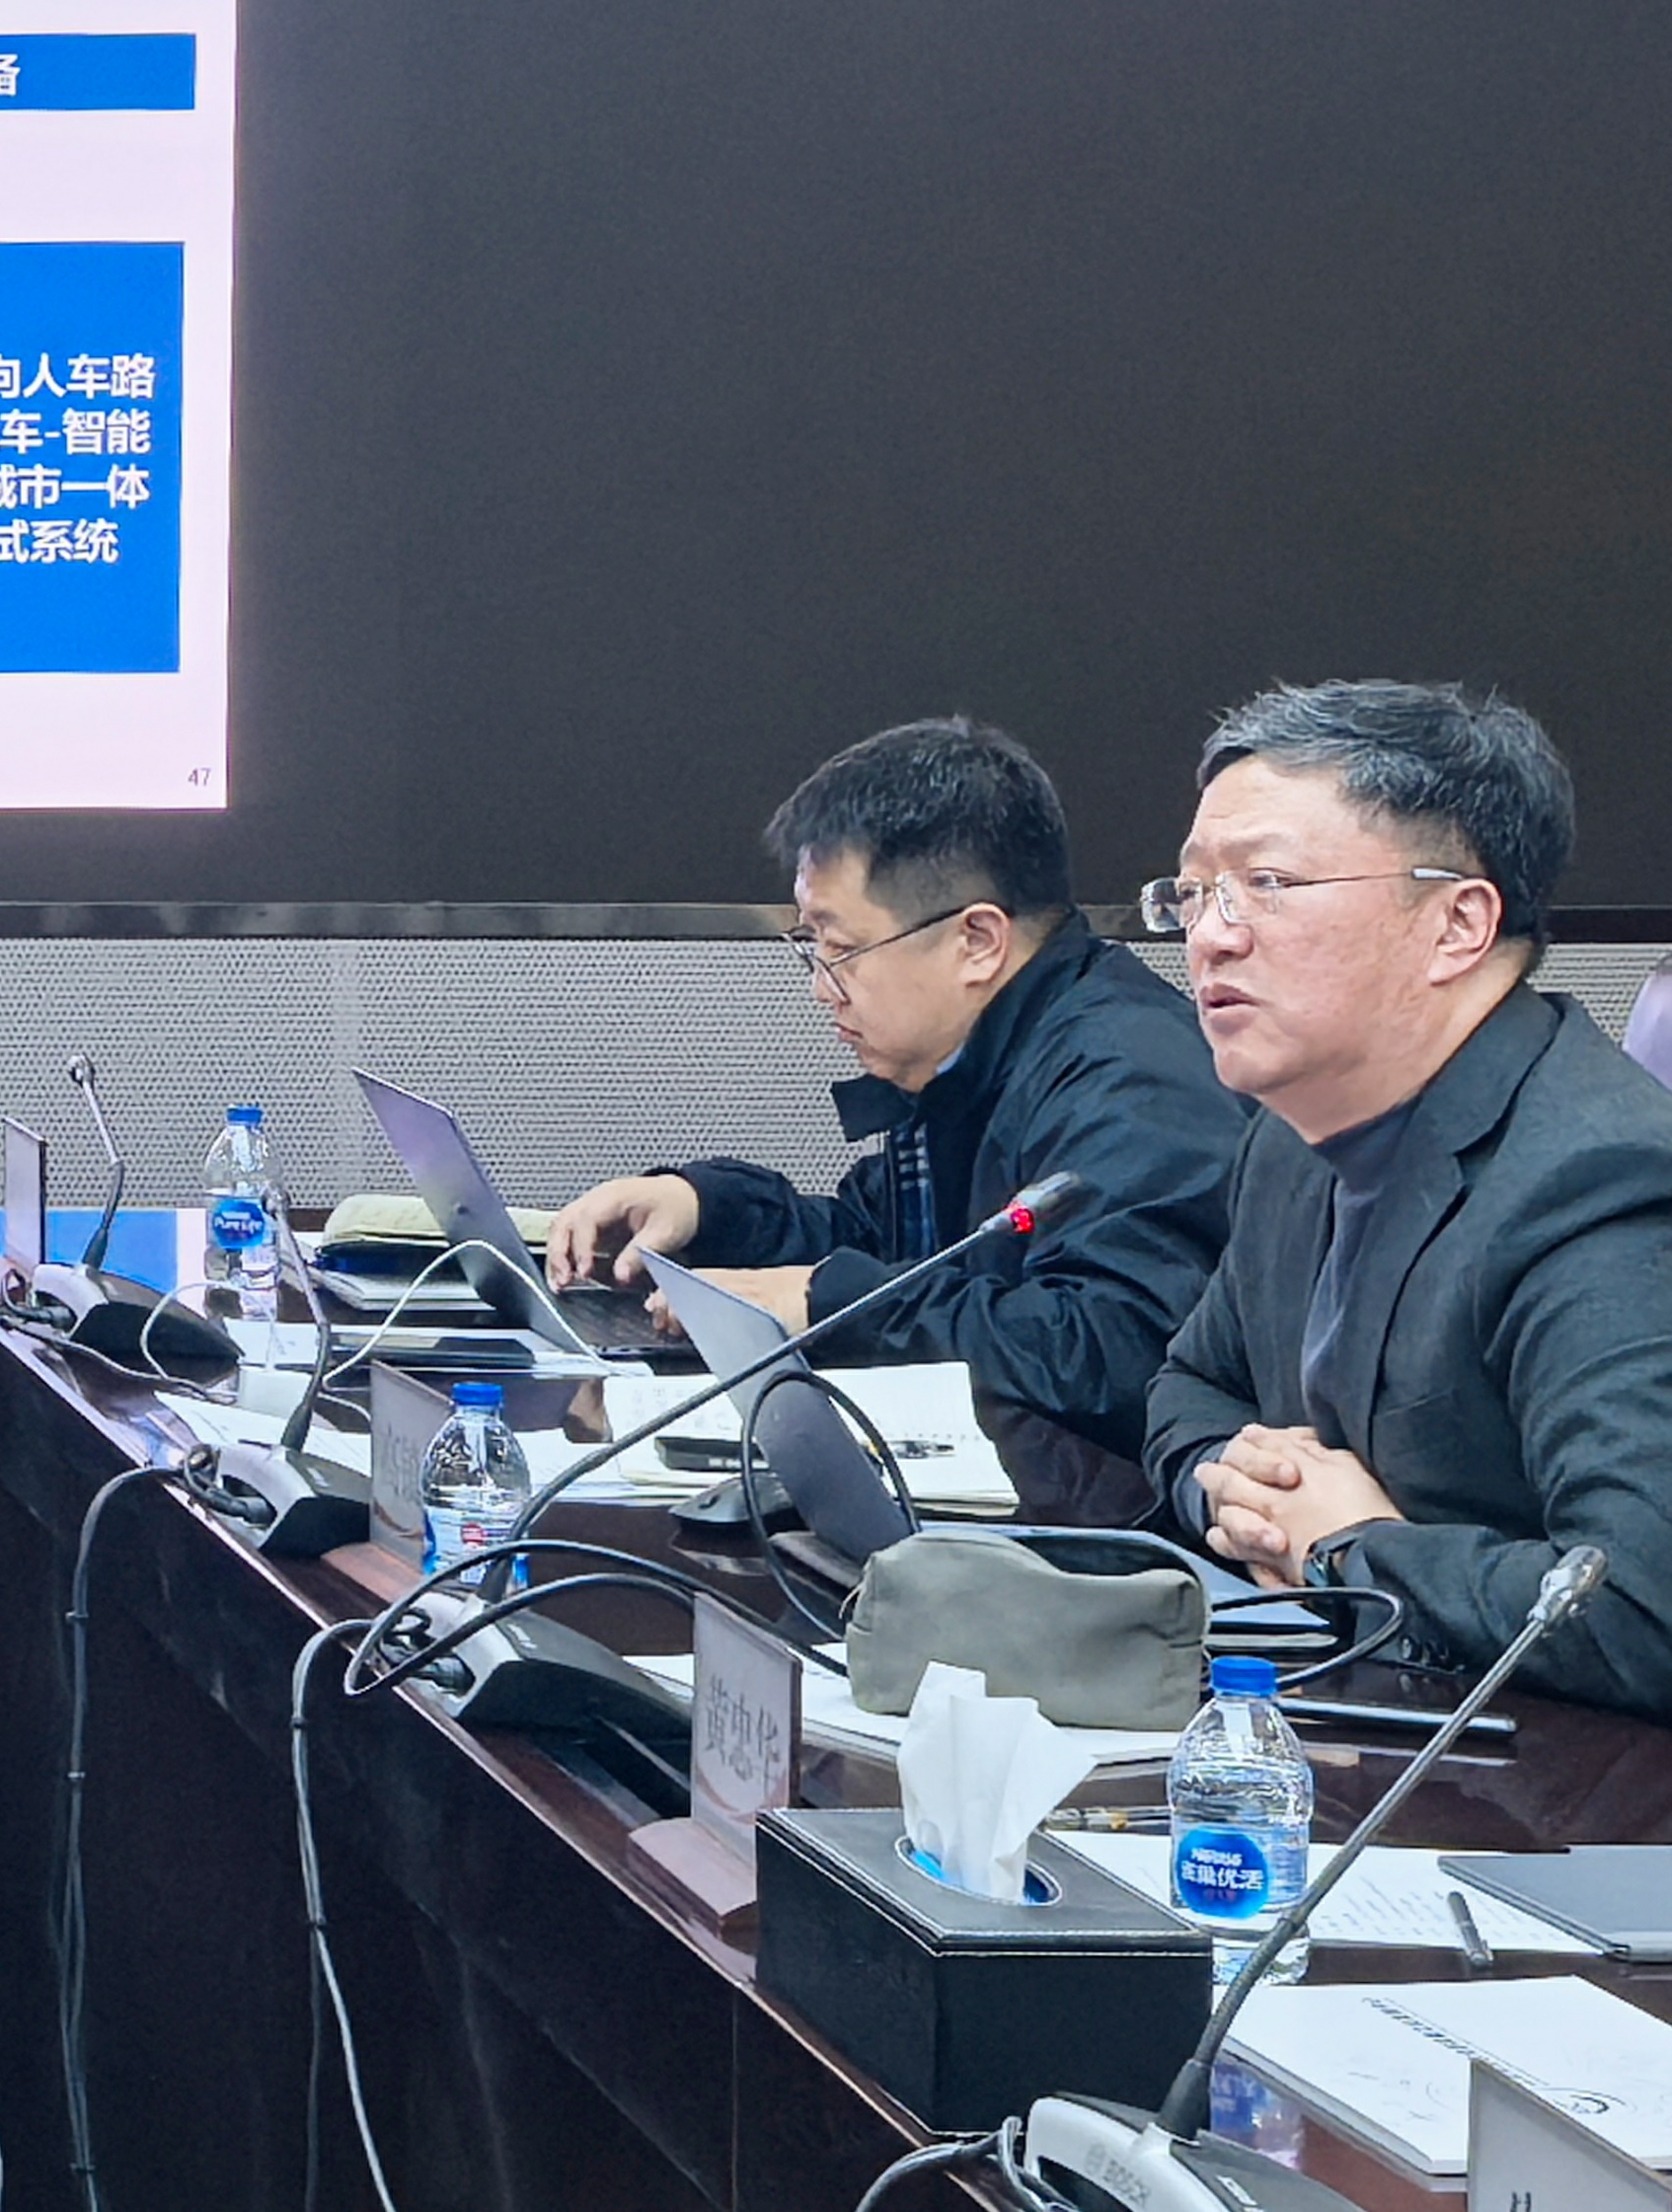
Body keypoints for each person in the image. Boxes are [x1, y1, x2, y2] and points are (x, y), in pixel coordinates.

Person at [544, 718, 1244, 1514]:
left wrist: (828, 1304)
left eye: (839, 950)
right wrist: (705, 1208)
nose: (821, 988)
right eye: (811, 949)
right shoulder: (979, 1054)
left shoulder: (1131, 1082)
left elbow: (1109, 1353)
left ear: (977, 941)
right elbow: (884, 1242)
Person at [1145, 681, 1672, 1715]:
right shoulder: (1293, 1137)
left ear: (1456, 924)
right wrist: (1240, 1492)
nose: (1209, 936)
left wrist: (1349, 1551)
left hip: (1561, 1782)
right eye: (1194, 893)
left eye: (1266, 884)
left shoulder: (1597, 1185)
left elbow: (1640, 1612)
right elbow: (1188, 1386)